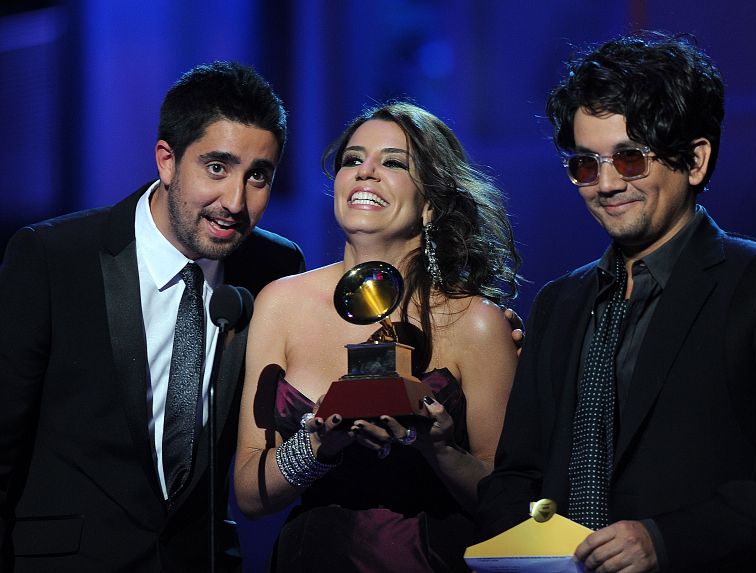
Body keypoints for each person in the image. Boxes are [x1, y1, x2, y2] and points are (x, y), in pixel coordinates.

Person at [476, 31, 756, 573]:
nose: (604, 184)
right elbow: (518, 478)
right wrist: (535, 547)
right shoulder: (560, 302)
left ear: (695, 161)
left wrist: (665, 540)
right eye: (585, 164)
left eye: (629, 160)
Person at [0, 61, 305, 572]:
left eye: (258, 176)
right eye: (216, 168)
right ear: (167, 160)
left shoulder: (274, 268)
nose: (235, 201)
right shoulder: (53, 258)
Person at [234, 101, 521, 572]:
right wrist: (317, 449)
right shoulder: (279, 303)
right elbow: (249, 494)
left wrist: (440, 449)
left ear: (430, 203)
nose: (365, 173)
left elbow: (510, 503)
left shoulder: (478, 322)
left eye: (393, 162)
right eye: (353, 160)